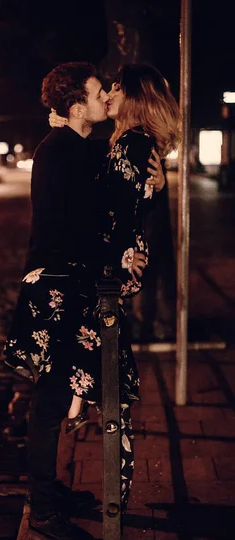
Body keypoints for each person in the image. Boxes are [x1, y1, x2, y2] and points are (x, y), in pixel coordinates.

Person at [4, 62, 166, 540]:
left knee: (59, 399)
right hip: (54, 290)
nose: (105, 98)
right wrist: (118, 257)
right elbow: (79, 227)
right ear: (78, 107)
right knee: (50, 404)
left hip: (70, 289)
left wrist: (154, 186)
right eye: (98, 93)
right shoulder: (60, 153)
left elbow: (120, 184)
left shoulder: (77, 148)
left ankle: (50, 495)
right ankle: (45, 512)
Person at [50, 63, 180, 429]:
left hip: (117, 256)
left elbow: (119, 210)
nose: (109, 94)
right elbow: (132, 196)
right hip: (122, 253)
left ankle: (86, 404)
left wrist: (116, 257)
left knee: (87, 323)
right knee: (98, 328)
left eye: (118, 88)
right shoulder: (133, 142)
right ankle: (86, 403)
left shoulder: (131, 143)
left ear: (135, 97)